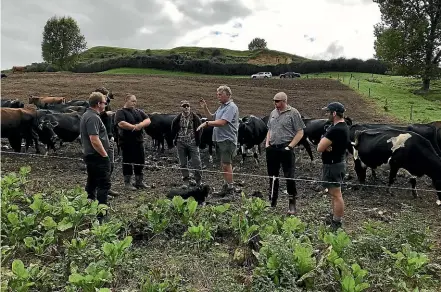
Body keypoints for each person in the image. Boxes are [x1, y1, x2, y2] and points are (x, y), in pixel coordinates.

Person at [265, 92, 305, 215]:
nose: (275, 103)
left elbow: (300, 132)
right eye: (274, 101)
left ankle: (292, 204)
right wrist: (267, 143)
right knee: (272, 176)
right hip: (273, 148)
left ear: (284, 101)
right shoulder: (273, 113)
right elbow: (269, 129)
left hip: (286, 148)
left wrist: (290, 146)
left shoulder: (293, 113)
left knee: (289, 176)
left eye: (277, 101)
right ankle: (272, 201)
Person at [197, 85, 239, 197]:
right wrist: (205, 107)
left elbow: (222, 122)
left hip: (227, 139)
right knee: (223, 164)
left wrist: (206, 124)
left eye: (220, 94)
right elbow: (212, 118)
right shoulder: (221, 107)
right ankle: (226, 186)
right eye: (217, 95)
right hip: (220, 139)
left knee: (226, 164)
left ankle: (230, 188)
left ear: (228, 95)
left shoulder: (231, 107)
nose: (218, 97)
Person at [317, 101, 350, 231]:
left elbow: (320, 147)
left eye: (329, 112)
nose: (327, 114)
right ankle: (335, 216)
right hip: (339, 162)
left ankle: (337, 222)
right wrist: (326, 146)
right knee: (334, 192)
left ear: (334, 113)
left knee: (336, 194)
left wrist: (325, 144)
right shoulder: (344, 127)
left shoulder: (335, 129)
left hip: (333, 165)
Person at [79, 92, 111, 221]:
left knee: (91, 182)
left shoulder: (87, 115)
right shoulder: (93, 117)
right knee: (104, 184)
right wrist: (104, 155)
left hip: (90, 155)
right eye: (104, 102)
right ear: (98, 104)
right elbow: (94, 139)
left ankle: (88, 208)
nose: (105, 105)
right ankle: (101, 215)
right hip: (97, 156)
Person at [115, 94, 151, 190]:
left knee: (140, 161)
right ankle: (127, 183)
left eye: (135, 101)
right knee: (127, 161)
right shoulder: (120, 112)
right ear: (126, 100)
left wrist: (140, 125)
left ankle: (139, 181)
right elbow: (121, 123)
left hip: (138, 141)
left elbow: (148, 120)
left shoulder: (138, 111)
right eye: (132, 101)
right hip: (126, 142)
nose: (134, 103)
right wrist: (134, 127)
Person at [171, 100, 203, 186]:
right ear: (180, 107)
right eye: (184, 106)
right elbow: (173, 129)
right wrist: (175, 139)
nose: (186, 108)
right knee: (183, 163)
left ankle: (198, 181)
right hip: (180, 142)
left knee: (197, 162)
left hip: (192, 142)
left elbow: (200, 129)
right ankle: (186, 180)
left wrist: (197, 140)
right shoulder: (177, 119)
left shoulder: (195, 118)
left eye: (187, 106)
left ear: (190, 107)